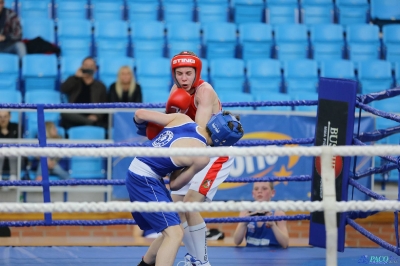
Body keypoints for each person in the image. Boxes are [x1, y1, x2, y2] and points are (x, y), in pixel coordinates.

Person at [141, 51, 234, 265]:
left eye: (188, 73)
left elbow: (198, 132)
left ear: (196, 73)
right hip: (191, 153)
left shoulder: (205, 91)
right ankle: (147, 261)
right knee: (175, 215)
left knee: (189, 205)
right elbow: (173, 127)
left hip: (211, 153)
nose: (184, 78)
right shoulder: (176, 90)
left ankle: (200, 261)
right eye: (179, 73)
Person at [129, 108, 244, 266]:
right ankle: (202, 262)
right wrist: (182, 167)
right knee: (174, 235)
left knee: (174, 226)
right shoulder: (201, 157)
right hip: (145, 179)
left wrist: (144, 129)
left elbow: (140, 114)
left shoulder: (182, 119)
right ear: (225, 142)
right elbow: (175, 185)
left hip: (140, 169)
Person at [233, 182, 289, 248]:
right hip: (250, 255)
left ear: (272, 193)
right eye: (256, 189)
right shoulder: (245, 212)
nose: (259, 191)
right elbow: (236, 241)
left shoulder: (278, 214)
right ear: (253, 193)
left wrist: (273, 225)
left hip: (272, 255)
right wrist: (243, 223)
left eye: (264, 188)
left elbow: (285, 244)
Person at [60, 56, 107, 130]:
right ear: (81, 67)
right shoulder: (74, 80)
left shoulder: (100, 86)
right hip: (73, 115)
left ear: (95, 69)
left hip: (92, 116)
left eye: (91, 66)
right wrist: (76, 77)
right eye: (86, 66)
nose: (88, 68)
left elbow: (104, 105)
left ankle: (88, 122)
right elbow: (64, 89)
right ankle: (88, 122)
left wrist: (97, 116)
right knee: (64, 112)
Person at [0, 111, 18, 182]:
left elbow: (17, 143)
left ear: (10, 117)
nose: (2, 119)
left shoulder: (16, 127)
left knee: (13, 152)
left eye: (5, 117)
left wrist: (8, 132)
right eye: (0, 117)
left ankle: (13, 178)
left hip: (14, 158)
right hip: (1, 157)